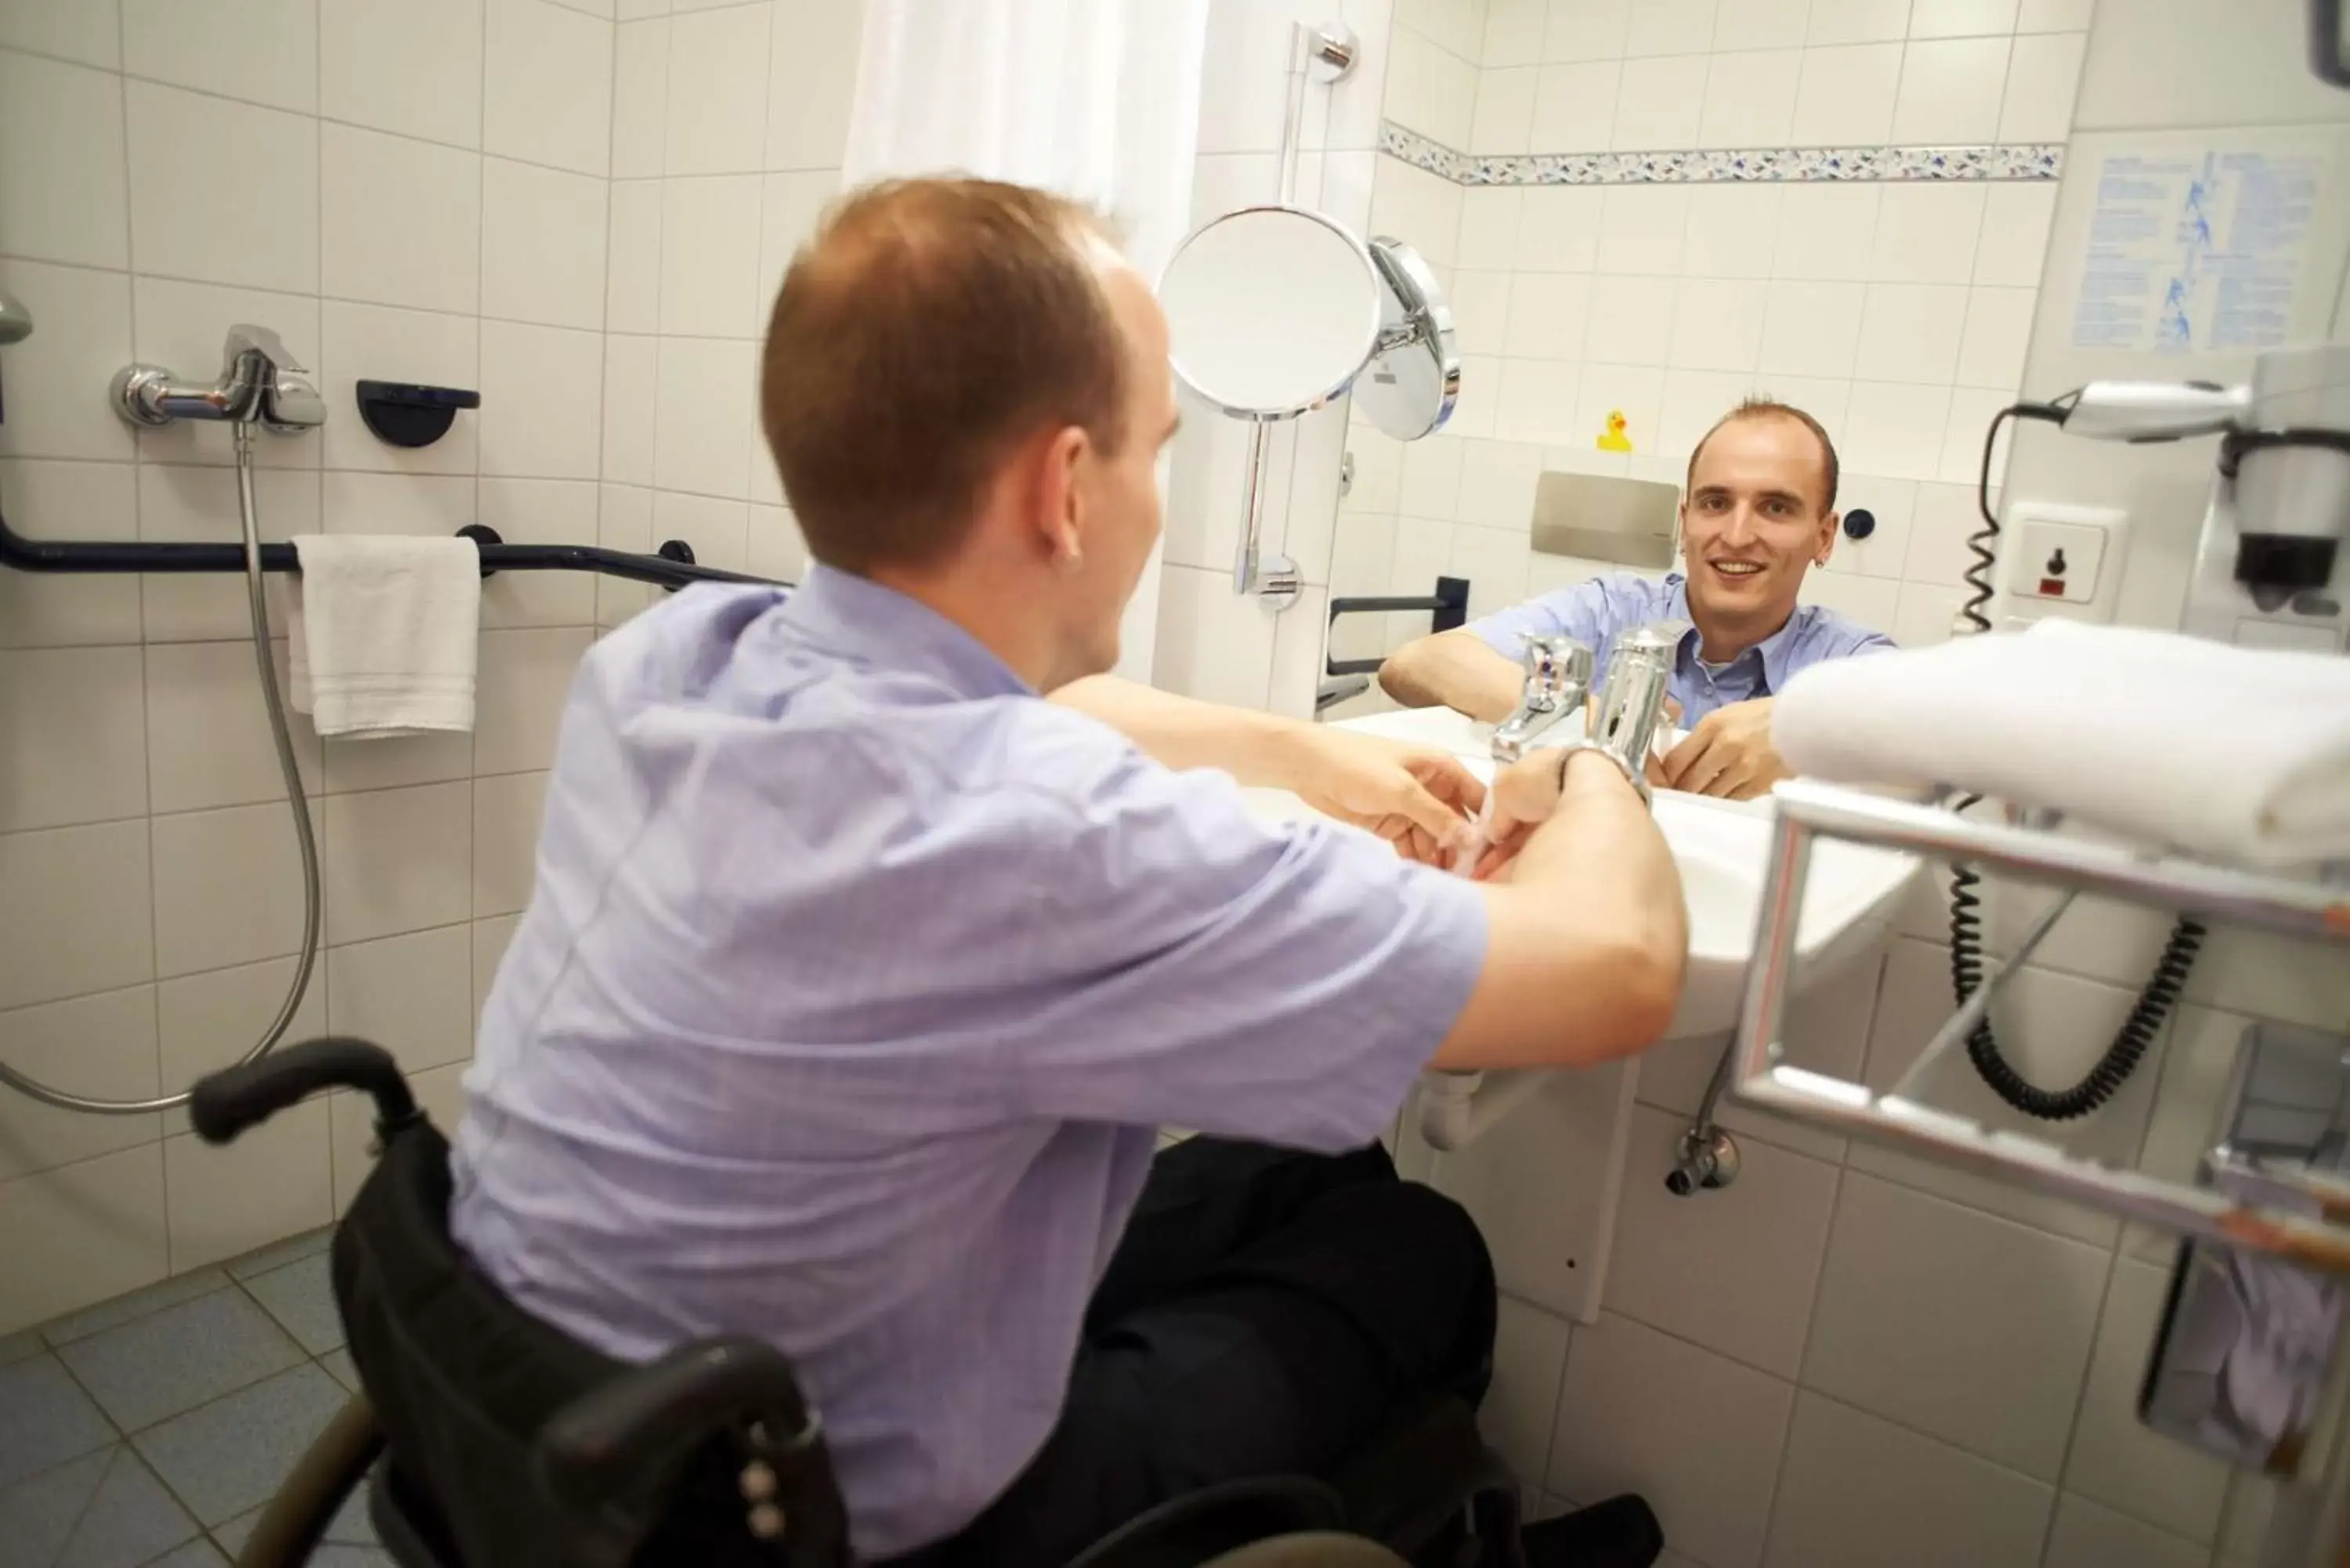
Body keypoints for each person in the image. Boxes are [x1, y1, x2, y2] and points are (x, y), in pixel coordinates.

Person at [448, 178, 1687, 1568]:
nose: (1160, 502)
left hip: (540, 1410)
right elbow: (1620, 975)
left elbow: (985, 710)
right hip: (825, 1522)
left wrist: (1301, 750)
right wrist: (1593, 771)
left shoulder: (679, 660)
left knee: (1311, 1168)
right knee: (1425, 1256)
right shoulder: (1058, 841)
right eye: (1156, 452)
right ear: (1062, 486)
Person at [1379, 399, 1895, 801]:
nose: (1737, 535)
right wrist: (1596, 724)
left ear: (1824, 537)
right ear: (1684, 520)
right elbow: (1418, 664)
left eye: (1775, 508)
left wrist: (1801, 729)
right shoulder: (1612, 612)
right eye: (1716, 503)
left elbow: (1944, 731)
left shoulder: (1844, 657)